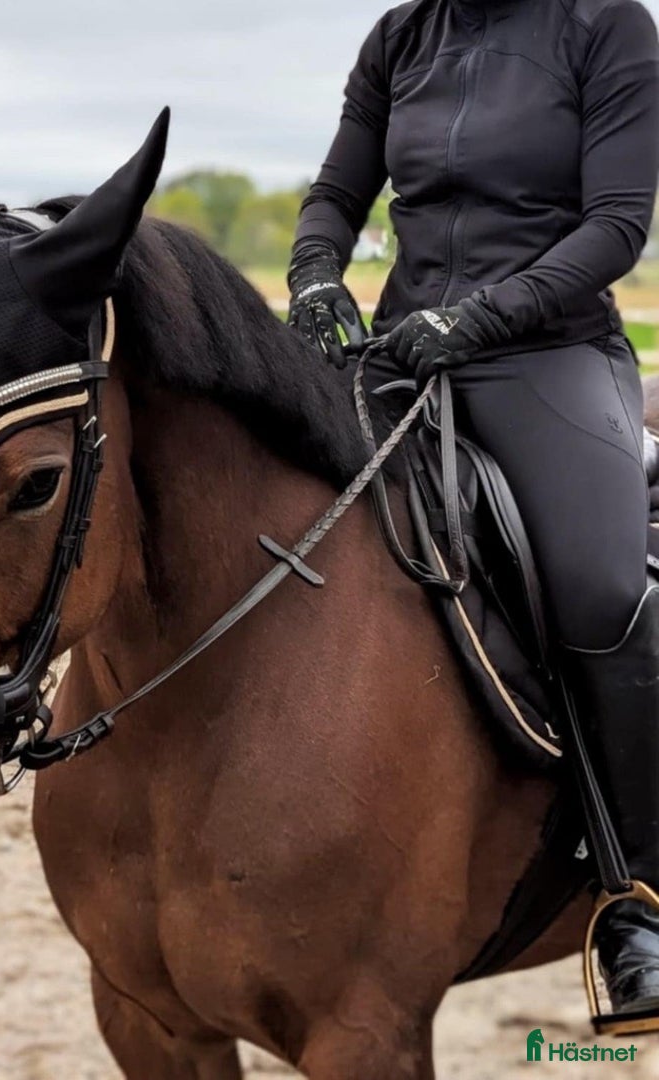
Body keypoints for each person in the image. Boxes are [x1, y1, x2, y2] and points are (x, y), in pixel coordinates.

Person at [287, 0, 659, 1024]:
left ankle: (639, 902)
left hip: (549, 353)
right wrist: (315, 275)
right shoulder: (400, 37)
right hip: (404, 352)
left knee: (600, 588)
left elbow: (616, 226)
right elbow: (336, 194)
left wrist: (485, 315)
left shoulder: (607, 26)